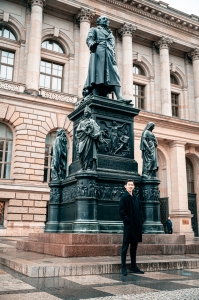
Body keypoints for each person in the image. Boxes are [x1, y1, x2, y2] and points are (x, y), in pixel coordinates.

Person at [83, 16, 131, 103]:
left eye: (107, 19)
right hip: (99, 53)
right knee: (97, 74)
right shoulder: (94, 30)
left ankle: (119, 96)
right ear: (99, 21)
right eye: (104, 19)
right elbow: (89, 39)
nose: (106, 20)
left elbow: (112, 46)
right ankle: (95, 94)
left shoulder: (110, 34)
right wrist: (92, 44)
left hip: (109, 55)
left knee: (115, 74)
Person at [119, 179, 144, 276]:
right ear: (125, 186)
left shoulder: (136, 198)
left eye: (132, 185)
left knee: (134, 247)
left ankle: (134, 267)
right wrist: (127, 221)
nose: (130, 186)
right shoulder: (124, 197)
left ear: (134, 187)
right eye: (129, 185)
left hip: (137, 226)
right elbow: (121, 211)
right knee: (125, 247)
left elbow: (140, 211)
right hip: (129, 226)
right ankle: (123, 267)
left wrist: (141, 220)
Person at [76, 105, 102, 171]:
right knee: (80, 153)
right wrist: (83, 129)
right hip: (82, 139)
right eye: (84, 112)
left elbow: (97, 130)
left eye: (86, 112)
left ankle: (88, 167)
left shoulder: (92, 121)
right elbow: (77, 130)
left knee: (89, 153)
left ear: (89, 113)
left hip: (89, 139)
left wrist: (92, 133)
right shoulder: (81, 122)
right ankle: (82, 167)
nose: (85, 113)